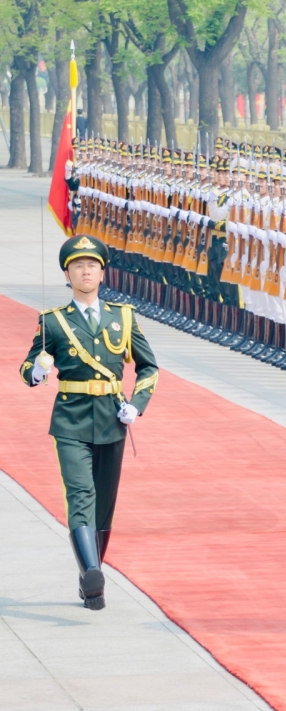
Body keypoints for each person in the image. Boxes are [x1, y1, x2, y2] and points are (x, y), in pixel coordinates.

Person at [20, 234, 159, 611]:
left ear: (102, 273)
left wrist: (138, 403)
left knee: (104, 506)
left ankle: (88, 578)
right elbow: (27, 369)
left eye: (92, 266)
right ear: (68, 274)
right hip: (71, 420)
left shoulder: (124, 317)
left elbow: (149, 367)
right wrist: (37, 370)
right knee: (81, 494)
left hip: (112, 420)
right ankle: (92, 573)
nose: (86, 271)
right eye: (78, 266)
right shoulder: (53, 322)